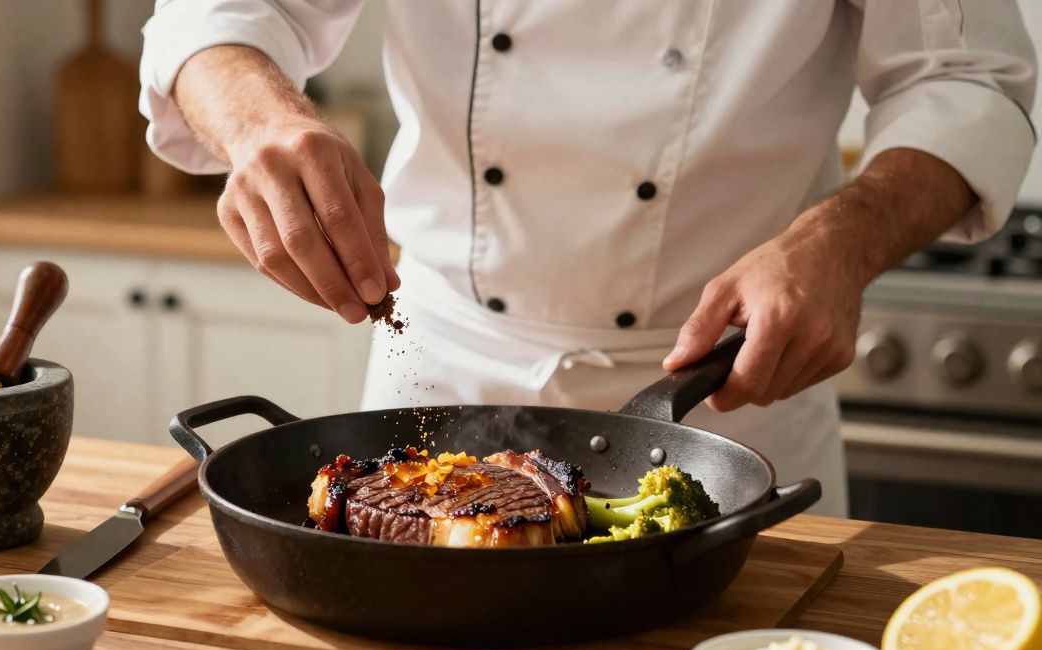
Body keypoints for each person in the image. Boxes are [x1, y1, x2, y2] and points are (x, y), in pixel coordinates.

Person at [139, 2, 1036, 516]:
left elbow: (966, 80)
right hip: (441, 369)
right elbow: (218, 15)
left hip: (727, 394)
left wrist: (839, 240)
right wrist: (263, 121)